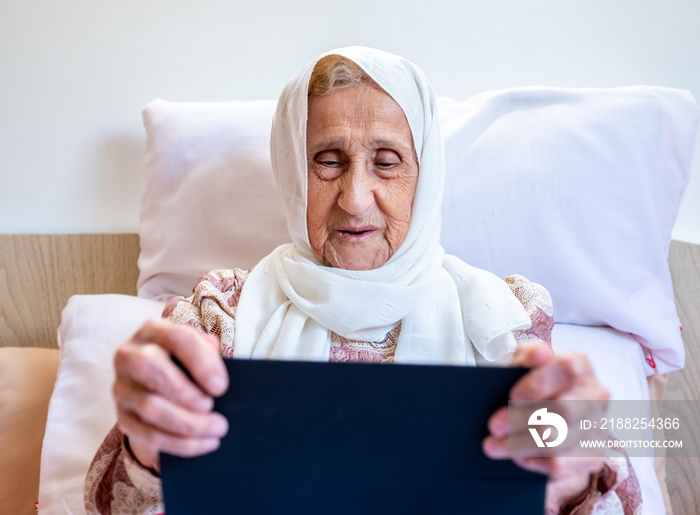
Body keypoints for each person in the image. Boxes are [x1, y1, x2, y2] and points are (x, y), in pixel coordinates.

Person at [84, 47, 641, 514]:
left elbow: (620, 490)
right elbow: (107, 505)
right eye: (328, 160)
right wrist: (150, 451)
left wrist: (571, 474)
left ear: (426, 177)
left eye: (387, 160)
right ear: (293, 175)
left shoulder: (506, 316)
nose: (354, 198)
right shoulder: (217, 315)